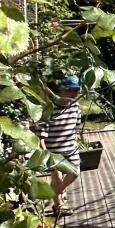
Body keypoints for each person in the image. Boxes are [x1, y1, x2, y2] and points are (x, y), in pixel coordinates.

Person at [39, 74, 84, 216]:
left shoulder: (76, 106)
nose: (74, 93)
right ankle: (58, 205)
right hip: (53, 152)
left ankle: (54, 193)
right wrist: (46, 154)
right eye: (70, 90)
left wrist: (77, 140)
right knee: (56, 178)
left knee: (75, 172)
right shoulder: (50, 108)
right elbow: (41, 135)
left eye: (76, 90)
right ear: (62, 90)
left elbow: (76, 126)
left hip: (71, 148)